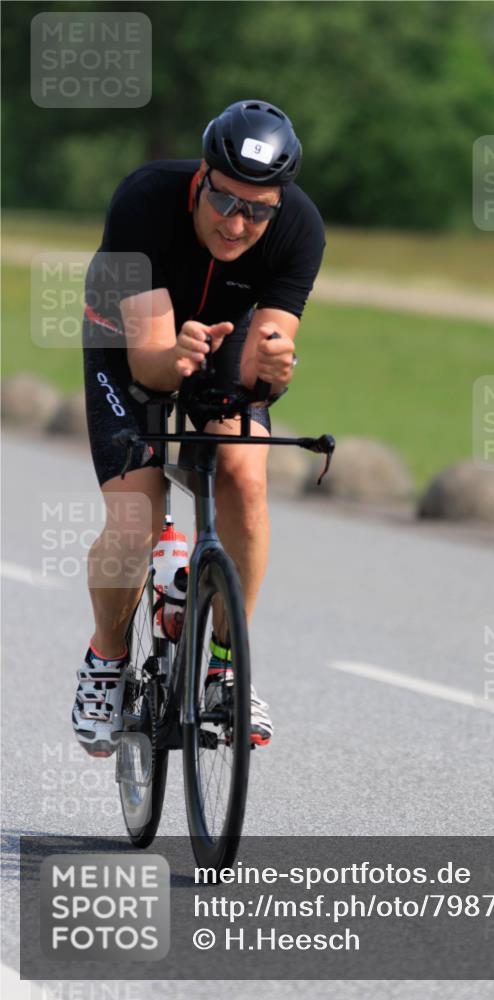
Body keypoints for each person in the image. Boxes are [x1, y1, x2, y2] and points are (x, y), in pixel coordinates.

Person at [72, 99, 325, 757]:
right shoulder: (146, 201)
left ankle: (222, 659)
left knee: (243, 474)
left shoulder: (298, 228)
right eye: (224, 201)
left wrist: (272, 370)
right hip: (131, 334)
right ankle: (106, 658)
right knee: (135, 515)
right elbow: (153, 370)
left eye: (258, 210)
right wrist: (176, 356)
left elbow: (266, 369)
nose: (238, 223)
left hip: (224, 336)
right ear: (201, 179)